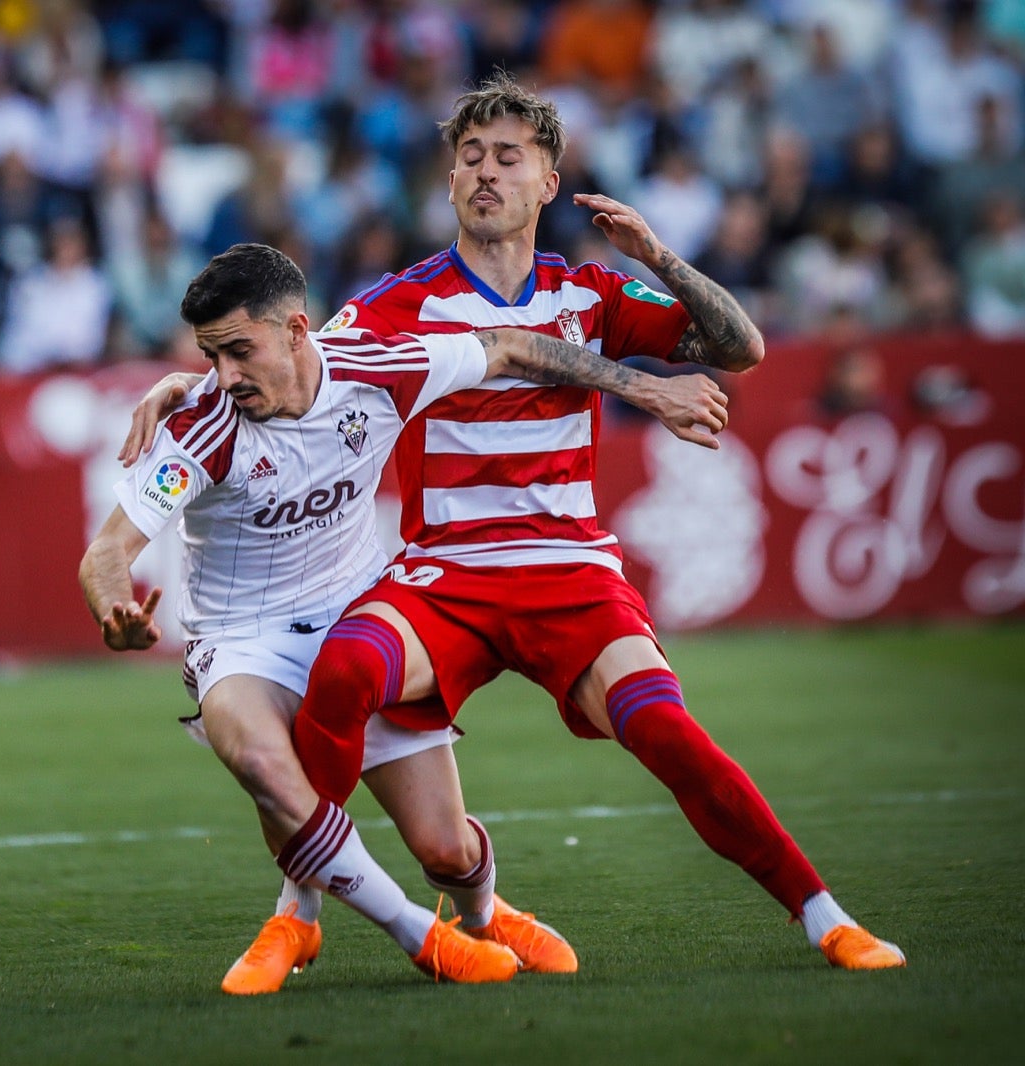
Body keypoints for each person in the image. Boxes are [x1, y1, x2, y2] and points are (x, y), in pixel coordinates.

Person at [127, 74, 905, 972]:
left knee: (667, 731)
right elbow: (290, 364)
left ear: (548, 181)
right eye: (468, 158)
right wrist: (184, 383)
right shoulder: (394, 303)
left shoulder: (591, 294)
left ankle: (824, 917)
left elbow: (742, 348)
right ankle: (298, 910)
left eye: (508, 157)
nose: (484, 173)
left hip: (570, 572)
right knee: (344, 672)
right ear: (449, 182)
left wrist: (658, 254)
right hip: (444, 577)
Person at [84, 242, 731, 992]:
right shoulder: (202, 428)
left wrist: (648, 392)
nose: (224, 376)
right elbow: (106, 552)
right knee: (265, 764)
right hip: (242, 644)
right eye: (209, 356)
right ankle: (419, 936)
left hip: (360, 619)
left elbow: (514, 346)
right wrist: (116, 610)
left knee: (446, 851)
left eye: (237, 352)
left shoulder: (376, 370)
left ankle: (481, 913)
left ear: (298, 331)